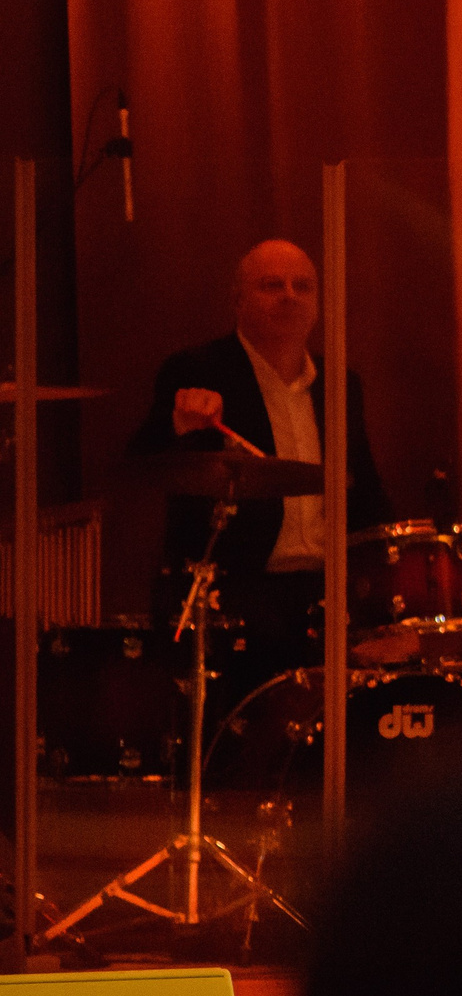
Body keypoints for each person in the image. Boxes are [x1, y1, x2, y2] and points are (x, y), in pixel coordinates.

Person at [131, 240, 392, 690]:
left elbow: (365, 493)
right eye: (272, 285)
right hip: (240, 596)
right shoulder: (197, 369)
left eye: (302, 286)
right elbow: (141, 460)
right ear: (237, 301)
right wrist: (177, 421)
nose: (289, 296)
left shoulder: (341, 384)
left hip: (330, 593)